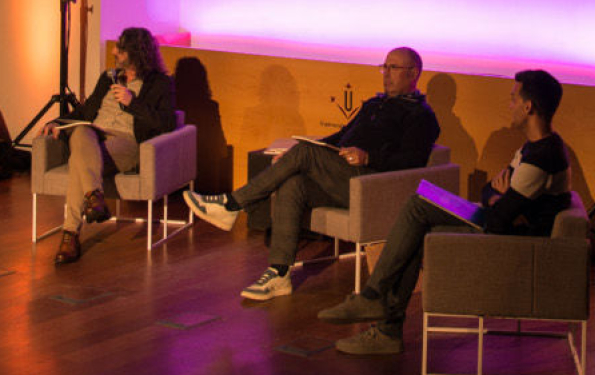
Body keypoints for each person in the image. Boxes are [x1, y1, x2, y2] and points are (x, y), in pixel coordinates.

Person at [321, 69, 572, 355]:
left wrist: (497, 198)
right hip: (496, 219)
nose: (510, 105)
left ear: (529, 107)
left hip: (511, 239)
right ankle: (383, 321)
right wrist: (497, 196)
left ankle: (375, 300)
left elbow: (501, 217)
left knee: (417, 210)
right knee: (422, 200)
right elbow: (490, 190)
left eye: (514, 99)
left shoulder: (542, 156)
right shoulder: (533, 147)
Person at [183, 47, 441, 301]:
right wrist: (297, 156)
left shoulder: (421, 116)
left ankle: (233, 203)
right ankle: (279, 273)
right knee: (293, 182)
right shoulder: (374, 104)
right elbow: (340, 136)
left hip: (373, 184)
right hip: (343, 178)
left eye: (393, 68)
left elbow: (412, 161)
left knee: (304, 153)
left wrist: (369, 156)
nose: (385, 73)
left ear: (413, 73)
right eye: (383, 67)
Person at [41, 27, 176, 265]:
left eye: (120, 49)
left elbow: (166, 124)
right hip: (93, 136)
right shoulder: (108, 78)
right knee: (81, 131)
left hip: (127, 143)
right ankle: (94, 199)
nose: (114, 52)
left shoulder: (160, 83)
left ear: (135, 53)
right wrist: (57, 122)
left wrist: (132, 103)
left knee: (77, 164)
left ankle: (71, 232)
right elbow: (86, 110)